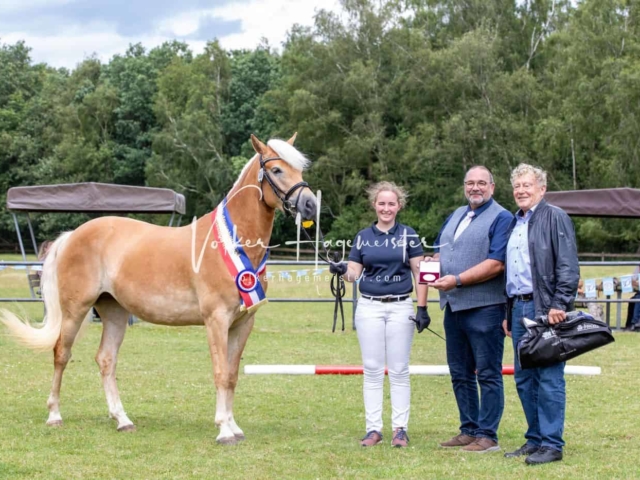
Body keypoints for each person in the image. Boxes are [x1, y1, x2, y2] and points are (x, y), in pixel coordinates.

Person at [329, 181, 428, 448]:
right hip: (369, 306)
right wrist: (341, 270)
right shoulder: (363, 236)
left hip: (400, 305)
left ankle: (400, 429)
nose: (386, 208)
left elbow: (420, 274)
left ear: (399, 206)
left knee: (398, 369)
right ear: (375, 205)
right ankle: (373, 428)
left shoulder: (409, 235)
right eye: (381, 203)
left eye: (391, 203)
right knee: (372, 370)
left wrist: (422, 308)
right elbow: (354, 274)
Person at [427, 165, 512, 453]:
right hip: (453, 307)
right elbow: (441, 250)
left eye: (481, 183)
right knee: (460, 372)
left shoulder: (502, 217)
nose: (475, 188)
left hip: (485, 307)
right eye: (470, 183)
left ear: (492, 186)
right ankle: (469, 428)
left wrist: (458, 280)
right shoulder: (456, 215)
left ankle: (488, 436)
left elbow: (497, 262)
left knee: (487, 373)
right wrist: (430, 266)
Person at [502, 163, 580, 465]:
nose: (521, 190)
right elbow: (512, 271)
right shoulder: (515, 222)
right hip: (519, 307)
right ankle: (534, 439)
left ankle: (551, 443)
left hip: (547, 309)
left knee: (549, 378)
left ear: (542, 189)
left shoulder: (555, 217)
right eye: (517, 186)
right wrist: (508, 310)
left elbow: (568, 265)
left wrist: (559, 303)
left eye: (527, 185)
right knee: (524, 378)